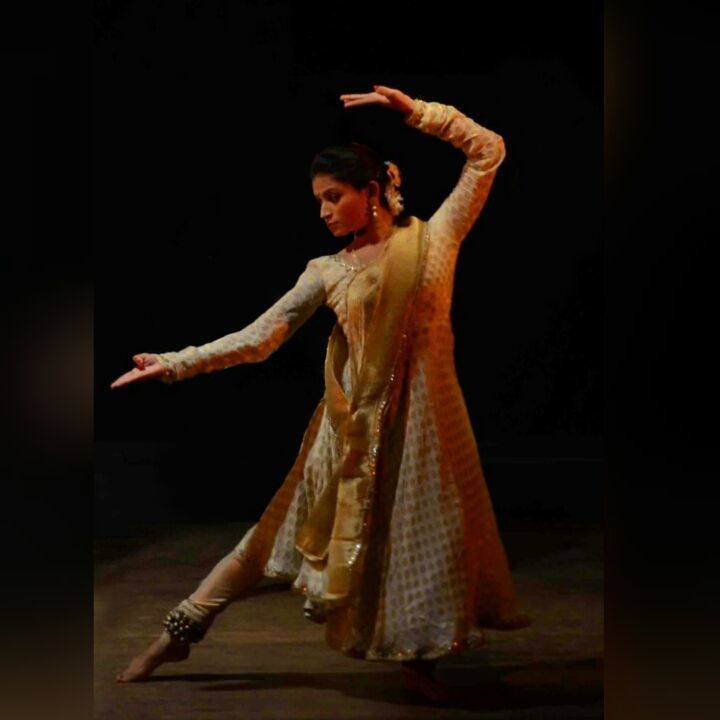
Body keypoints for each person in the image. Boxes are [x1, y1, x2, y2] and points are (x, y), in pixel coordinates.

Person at [110, 85, 530, 702]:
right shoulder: (327, 270)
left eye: (334, 197)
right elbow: (259, 338)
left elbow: (488, 150)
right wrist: (173, 364)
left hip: (424, 435)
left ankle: (420, 666)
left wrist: (418, 114)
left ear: (374, 190)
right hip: (350, 434)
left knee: (422, 549)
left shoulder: (436, 240)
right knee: (266, 544)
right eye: (319, 202)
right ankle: (179, 631)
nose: (325, 212)